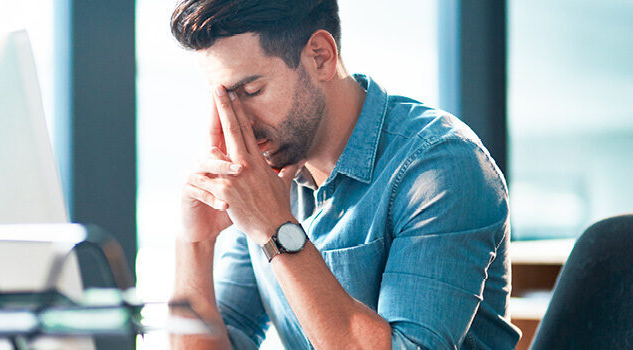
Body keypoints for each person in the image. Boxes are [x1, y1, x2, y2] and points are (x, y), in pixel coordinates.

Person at [169, 0, 521, 349]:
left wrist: (277, 230)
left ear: (321, 56)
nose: (239, 122)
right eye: (225, 100)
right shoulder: (267, 177)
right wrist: (195, 242)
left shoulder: (441, 167)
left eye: (251, 91)